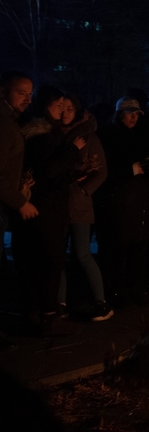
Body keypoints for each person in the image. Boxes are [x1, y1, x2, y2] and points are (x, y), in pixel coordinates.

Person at [17, 86, 79, 336]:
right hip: (46, 207)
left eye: (65, 106)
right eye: (58, 105)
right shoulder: (42, 135)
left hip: (48, 205)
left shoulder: (48, 133)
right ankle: (49, 316)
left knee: (43, 261)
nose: (62, 110)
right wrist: (72, 151)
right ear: (45, 106)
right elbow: (48, 170)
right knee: (52, 261)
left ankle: (36, 313)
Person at [99, 99, 149, 305]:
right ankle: (117, 291)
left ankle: (136, 288)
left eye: (137, 114)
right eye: (129, 113)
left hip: (142, 201)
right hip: (123, 201)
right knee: (121, 249)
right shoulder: (110, 136)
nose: (134, 117)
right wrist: (131, 170)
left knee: (139, 247)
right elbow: (107, 169)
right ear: (119, 114)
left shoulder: (142, 136)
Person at [57, 95, 111, 320]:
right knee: (58, 255)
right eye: (61, 108)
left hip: (79, 205)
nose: (65, 112)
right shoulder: (53, 134)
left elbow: (101, 171)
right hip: (57, 204)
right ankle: (60, 304)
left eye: (70, 108)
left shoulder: (88, 136)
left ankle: (101, 302)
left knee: (83, 253)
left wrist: (83, 190)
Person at [0, 72, 38, 267]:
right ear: (3, 92)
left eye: (30, 94)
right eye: (22, 93)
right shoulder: (4, 124)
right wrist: (20, 202)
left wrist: (19, 178)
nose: (28, 99)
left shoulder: (11, 120)